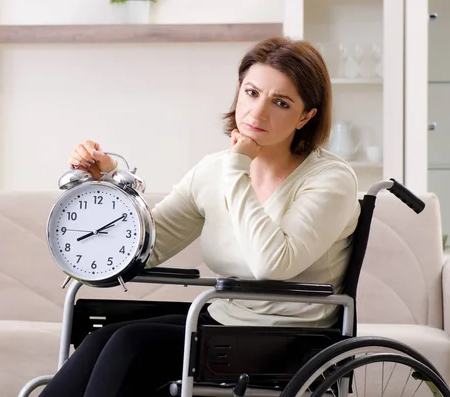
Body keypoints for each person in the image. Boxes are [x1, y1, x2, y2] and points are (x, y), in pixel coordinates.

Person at [39, 36, 361, 397]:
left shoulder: (330, 180)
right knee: (103, 339)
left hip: (291, 339)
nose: (258, 112)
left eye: (280, 102)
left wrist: (238, 169)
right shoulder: (213, 170)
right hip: (221, 322)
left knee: (130, 345)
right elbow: (149, 245)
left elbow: (273, 264)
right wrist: (114, 183)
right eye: (252, 93)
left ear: (306, 115)